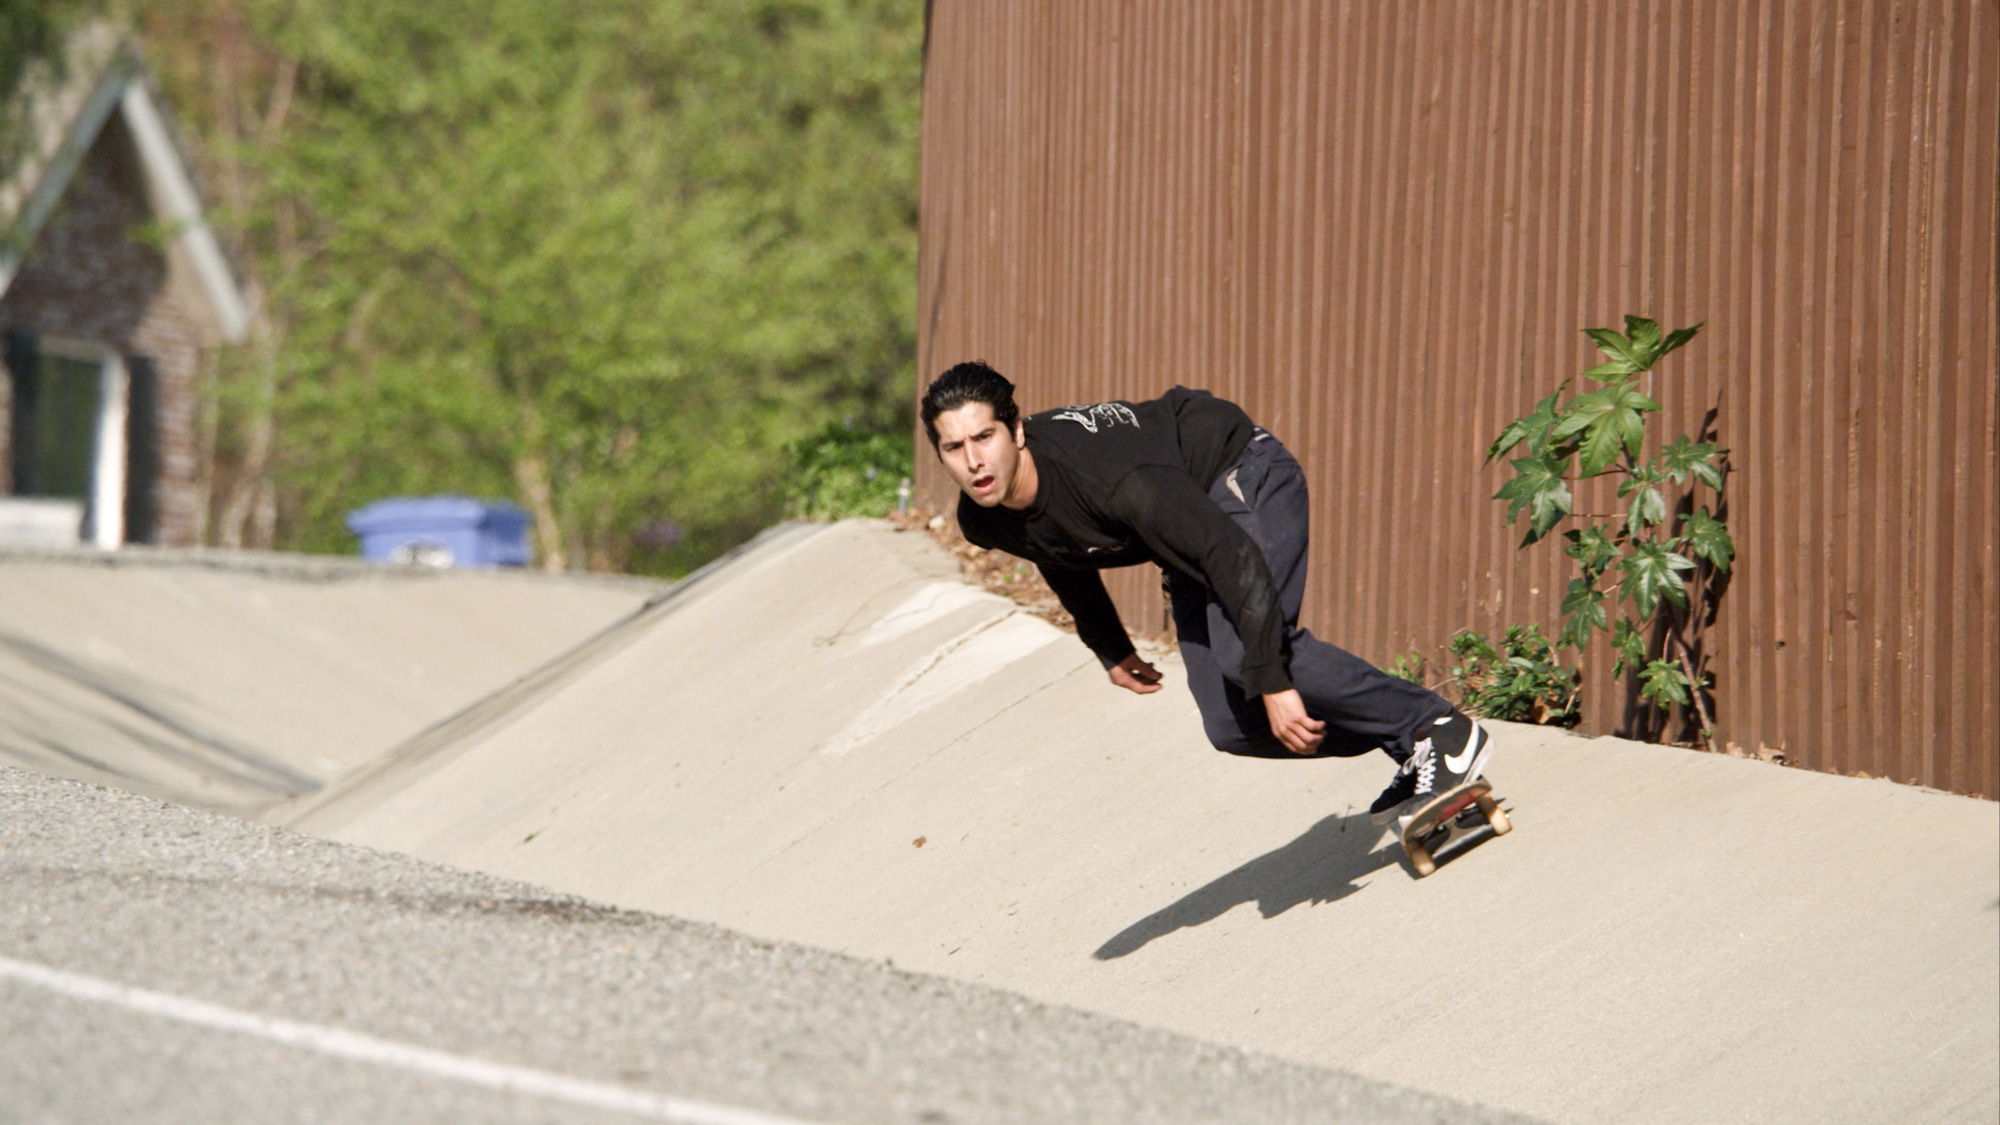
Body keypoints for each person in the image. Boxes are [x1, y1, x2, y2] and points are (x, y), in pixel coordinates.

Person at [919, 360, 1492, 826]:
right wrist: (1108, 645)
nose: (974, 461)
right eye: (954, 447)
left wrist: (1273, 680)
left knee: (1248, 659)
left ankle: (1441, 731)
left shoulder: (1116, 482)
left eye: (984, 437)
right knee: (1230, 724)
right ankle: (1411, 743)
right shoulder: (984, 516)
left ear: (1016, 432)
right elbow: (1054, 547)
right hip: (1186, 527)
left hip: (1236, 471)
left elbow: (1233, 556)